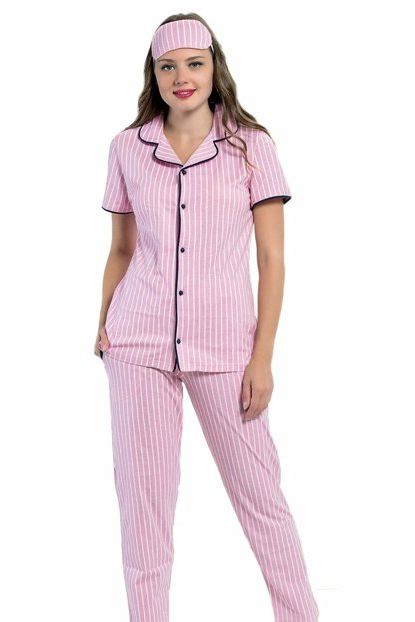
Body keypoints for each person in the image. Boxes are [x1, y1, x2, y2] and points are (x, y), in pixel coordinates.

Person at [95, 13, 320, 622]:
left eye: (194, 63)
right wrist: (103, 324)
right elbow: (121, 250)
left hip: (226, 348)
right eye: (168, 66)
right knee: (143, 509)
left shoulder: (251, 145)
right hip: (136, 343)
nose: (182, 77)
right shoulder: (127, 147)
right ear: (154, 75)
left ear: (214, 67)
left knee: (261, 498)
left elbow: (271, 259)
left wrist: (262, 358)